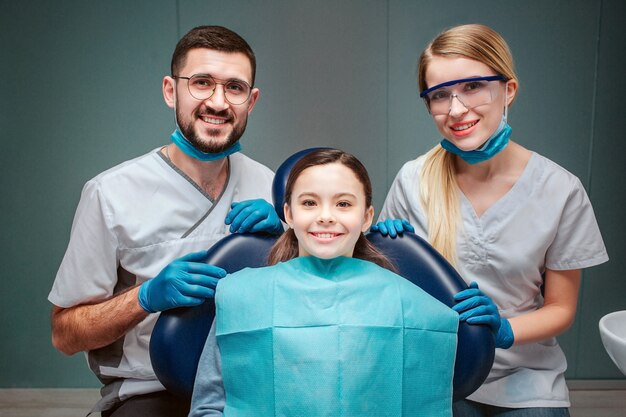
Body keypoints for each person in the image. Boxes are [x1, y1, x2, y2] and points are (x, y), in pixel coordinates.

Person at [374, 24, 609, 416]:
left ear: (508, 90)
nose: (456, 110)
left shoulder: (560, 190)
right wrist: (381, 255)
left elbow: (561, 309)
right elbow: (386, 296)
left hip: (526, 378)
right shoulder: (413, 180)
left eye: (472, 87)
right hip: (439, 371)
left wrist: (506, 329)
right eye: (439, 95)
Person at [48, 26, 284, 417]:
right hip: (150, 390)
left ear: (252, 100)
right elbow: (65, 334)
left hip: (250, 385)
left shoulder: (270, 185)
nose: (218, 102)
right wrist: (144, 298)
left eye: (235, 88)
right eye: (202, 83)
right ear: (171, 91)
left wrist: (289, 238)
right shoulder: (110, 193)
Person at [188, 149, 459, 417]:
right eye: (309, 203)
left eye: (343, 204)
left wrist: (483, 327)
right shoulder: (241, 298)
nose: (326, 216)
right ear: (288, 214)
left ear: (366, 217)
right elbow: (207, 407)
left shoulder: (407, 305)